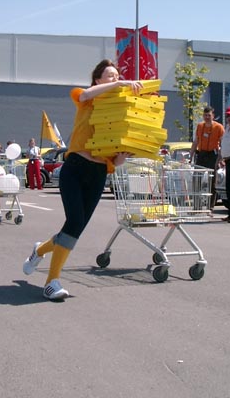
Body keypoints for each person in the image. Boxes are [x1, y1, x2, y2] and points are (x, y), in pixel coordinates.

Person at [22, 59, 142, 301]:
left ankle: (40, 250)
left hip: (98, 174)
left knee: (74, 228)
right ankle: (51, 282)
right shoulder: (86, 100)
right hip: (75, 168)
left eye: (117, 75)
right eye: (110, 75)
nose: (115, 79)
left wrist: (117, 160)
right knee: (75, 221)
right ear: (98, 79)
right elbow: (86, 94)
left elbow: (112, 154)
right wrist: (124, 82)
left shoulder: (117, 114)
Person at [190, 106, 224, 207]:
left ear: (213, 116)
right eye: (205, 115)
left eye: (209, 115)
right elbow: (196, 141)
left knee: (211, 180)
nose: (207, 117)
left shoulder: (219, 127)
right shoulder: (200, 126)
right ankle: (196, 206)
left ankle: (210, 207)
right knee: (196, 179)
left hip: (213, 155)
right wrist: (191, 155)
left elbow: (223, 144)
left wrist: (221, 158)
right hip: (201, 154)